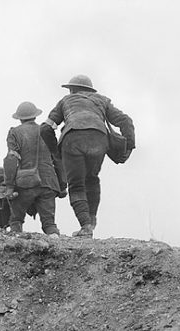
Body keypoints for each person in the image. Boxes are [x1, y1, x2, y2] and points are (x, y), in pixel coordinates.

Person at [40, 74, 135, 238]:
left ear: (72, 89)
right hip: (99, 139)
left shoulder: (65, 101)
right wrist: (129, 146)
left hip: (72, 139)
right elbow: (125, 121)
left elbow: (46, 128)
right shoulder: (102, 101)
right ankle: (91, 221)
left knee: (76, 185)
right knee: (92, 179)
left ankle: (85, 226)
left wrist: (56, 151)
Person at [3, 101, 65, 236]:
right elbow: (58, 159)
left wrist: (9, 186)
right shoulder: (45, 131)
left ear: (19, 118)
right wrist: (62, 185)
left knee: (16, 221)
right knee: (49, 224)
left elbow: (11, 159)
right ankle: (55, 242)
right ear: (35, 116)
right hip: (49, 182)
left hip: (26, 183)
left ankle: (16, 245)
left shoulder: (15, 133)